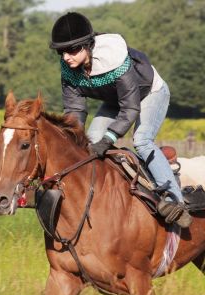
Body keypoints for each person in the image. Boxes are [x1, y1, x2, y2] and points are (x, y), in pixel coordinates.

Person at [49, 12, 192, 228]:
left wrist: (109, 140)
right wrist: (73, 141)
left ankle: (175, 200)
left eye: (72, 50)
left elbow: (131, 107)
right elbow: (74, 110)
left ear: (88, 45)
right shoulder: (69, 70)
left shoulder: (113, 56)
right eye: (61, 52)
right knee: (91, 139)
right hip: (117, 100)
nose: (66, 56)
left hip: (150, 93)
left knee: (141, 140)